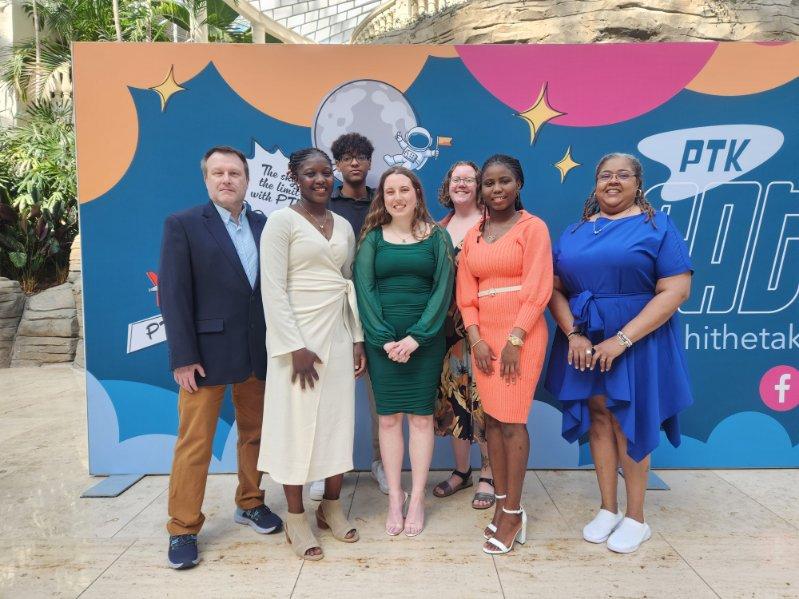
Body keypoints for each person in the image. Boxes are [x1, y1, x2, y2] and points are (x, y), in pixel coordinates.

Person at [544, 153, 694, 554]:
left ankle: (636, 517)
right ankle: (608, 508)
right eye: (605, 174)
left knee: (629, 419)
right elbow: (555, 288)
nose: (613, 181)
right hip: (583, 340)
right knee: (597, 414)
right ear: (595, 183)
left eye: (623, 175)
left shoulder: (658, 226)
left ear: (637, 183)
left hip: (637, 340)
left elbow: (676, 290)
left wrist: (622, 340)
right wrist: (573, 333)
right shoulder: (575, 231)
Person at [159, 145, 282, 571]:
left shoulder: (266, 225)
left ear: (247, 180)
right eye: (218, 173)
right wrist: (183, 356)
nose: (226, 179)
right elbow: (173, 295)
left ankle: (250, 502)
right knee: (195, 443)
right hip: (204, 357)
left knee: (255, 434)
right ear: (206, 179)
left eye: (234, 172)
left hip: (256, 352)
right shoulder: (184, 225)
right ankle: (183, 528)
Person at [258, 148, 366, 561]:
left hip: (337, 335)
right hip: (297, 343)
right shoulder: (280, 223)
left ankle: (331, 508)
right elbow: (273, 289)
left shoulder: (342, 225)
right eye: (310, 173)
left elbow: (348, 283)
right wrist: (293, 346)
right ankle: (296, 516)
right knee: (296, 425)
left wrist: (357, 338)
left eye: (326, 173)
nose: (320, 180)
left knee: (338, 422)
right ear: (295, 177)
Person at [457, 154, 553, 555]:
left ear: (519, 184)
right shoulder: (473, 235)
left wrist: (515, 338)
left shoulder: (533, 229)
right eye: (489, 183)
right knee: (492, 423)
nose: (496, 189)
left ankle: (513, 512)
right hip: (485, 340)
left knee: (512, 422)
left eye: (504, 181)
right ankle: (500, 505)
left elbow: (539, 286)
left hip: (521, 335)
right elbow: (467, 293)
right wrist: (477, 340)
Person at [353, 166, 455, 537]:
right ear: (383, 198)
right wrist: (382, 339)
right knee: (389, 420)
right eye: (390, 191)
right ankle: (395, 496)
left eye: (404, 190)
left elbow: (443, 291)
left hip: (423, 343)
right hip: (384, 344)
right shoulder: (372, 240)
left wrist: (417, 338)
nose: (397, 197)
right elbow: (364, 293)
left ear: (417, 194)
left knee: (422, 420)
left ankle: (417, 499)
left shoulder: (438, 238)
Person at [306, 132, 388, 499]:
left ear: (370, 163)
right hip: (333, 311)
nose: (354, 163)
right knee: (327, 395)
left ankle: (381, 462)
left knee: (380, 396)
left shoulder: (385, 202)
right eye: (346, 157)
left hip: (379, 309)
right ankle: (322, 468)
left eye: (361, 156)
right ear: (337, 166)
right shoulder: (323, 205)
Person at [431, 161, 494, 510]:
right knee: (454, 399)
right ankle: (461, 470)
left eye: (470, 179)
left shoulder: (494, 224)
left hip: (484, 327)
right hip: (446, 331)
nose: (463, 184)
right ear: (448, 185)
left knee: (483, 400)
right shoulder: (438, 228)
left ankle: (488, 473)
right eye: (457, 179)